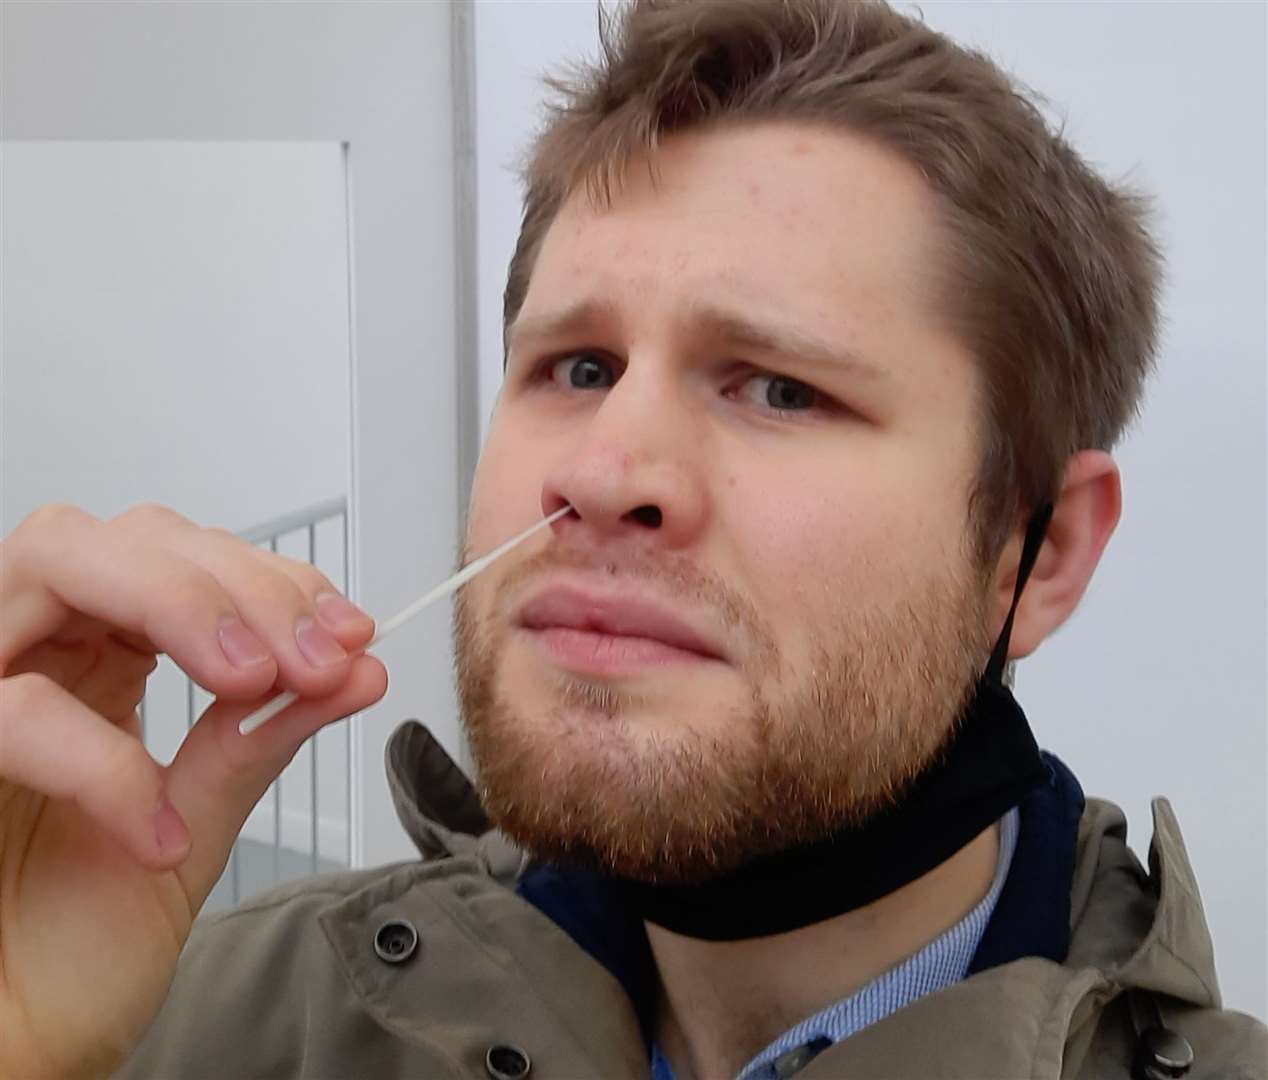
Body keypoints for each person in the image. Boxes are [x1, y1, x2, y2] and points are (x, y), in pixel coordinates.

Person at [0, 0, 1263, 1077]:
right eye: (579, 364)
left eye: (778, 387)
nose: (598, 473)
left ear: (1037, 555)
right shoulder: (219, 1008)